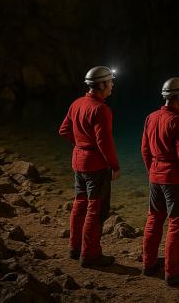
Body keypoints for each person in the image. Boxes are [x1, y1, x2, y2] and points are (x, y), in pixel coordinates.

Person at [141, 77, 179, 285]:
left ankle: (149, 264)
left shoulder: (151, 117)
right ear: (178, 97)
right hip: (175, 181)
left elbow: (145, 150)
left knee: (154, 219)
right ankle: (174, 271)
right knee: (176, 224)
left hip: (156, 177)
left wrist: (153, 171)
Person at [58, 66, 121, 268]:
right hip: (95, 166)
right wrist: (114, 165)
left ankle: (74, 248)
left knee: (79, 204)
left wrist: (81, 144)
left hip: (78, 161)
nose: (112, 85)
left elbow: (63, 130)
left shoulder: (77, 104)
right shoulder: (101, 109)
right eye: (110, 82)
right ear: (101, 84)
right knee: (95, 209)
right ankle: (90, 254)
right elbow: (104, 142)